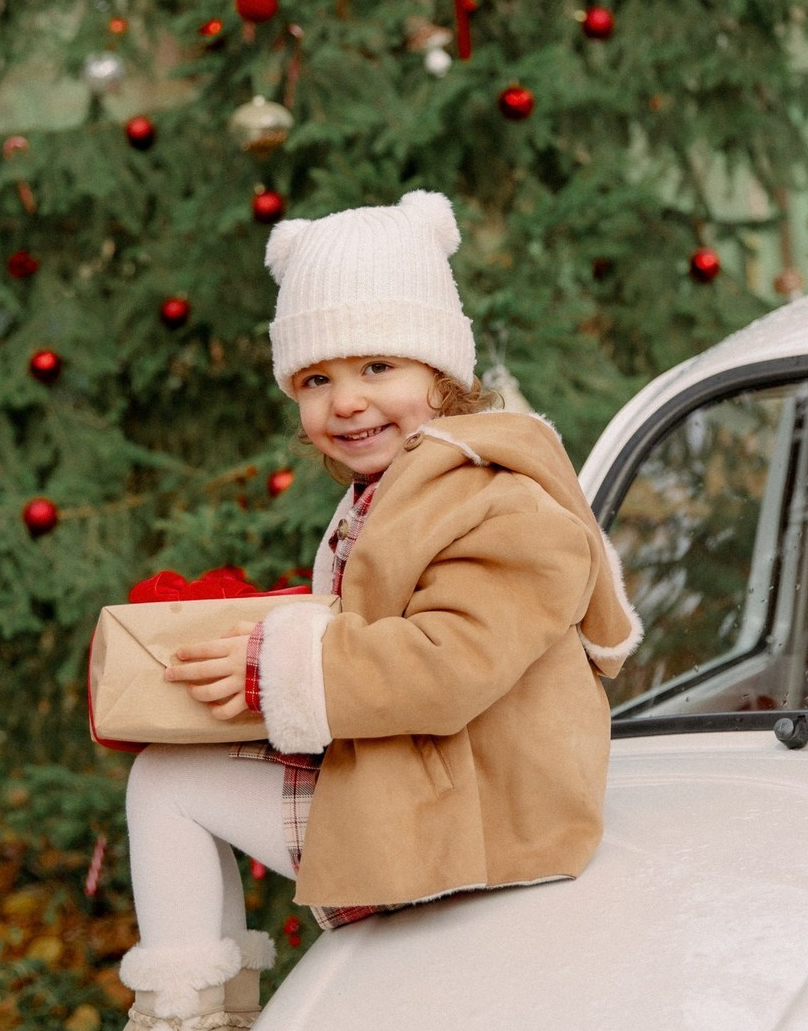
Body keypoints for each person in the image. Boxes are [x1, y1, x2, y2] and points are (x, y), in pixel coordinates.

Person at [118, 190, 642, 1030]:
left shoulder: (505, 502)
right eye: (317, 379)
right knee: (168, 774)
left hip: (484, 817)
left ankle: (188, 1016)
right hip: (443, 774)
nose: (347, 402)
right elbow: (378, 629)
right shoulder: (395, 487)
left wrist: (281, 665)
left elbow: (445, 664)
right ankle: (201, 1008)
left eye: (377, 368)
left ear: (442, 374)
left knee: (169, 786)